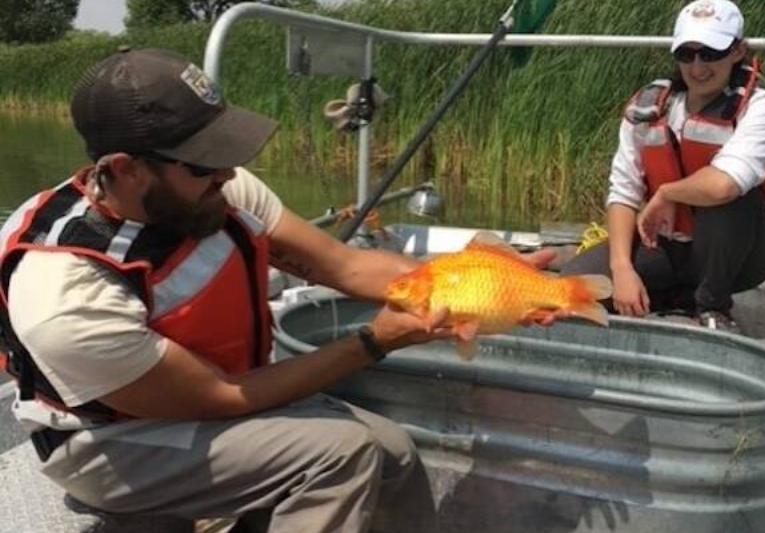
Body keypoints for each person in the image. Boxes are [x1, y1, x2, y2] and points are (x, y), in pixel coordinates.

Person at [0, 47, 553, 531]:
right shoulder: (66, 292)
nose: (227, 173)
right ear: (124, 169)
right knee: (340, 454)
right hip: (112, 441)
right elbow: (219, 398)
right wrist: (374, 341)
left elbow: (346, 267)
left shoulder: (221, 189)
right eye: (205, 163)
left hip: (222, 389)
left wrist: (483, 279)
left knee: (396, 454)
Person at [561, 0, 765, 333]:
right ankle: (672, 293)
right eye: (687, 54)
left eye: (711, 53)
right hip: (664, 247)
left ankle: (713, 306)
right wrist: (622, 269)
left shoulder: (760, 106)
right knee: (572, 287)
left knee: (731, 202)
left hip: (733, 254)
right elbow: (623, 190)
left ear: (738, 51)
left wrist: (667, 193)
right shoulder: (648, 107)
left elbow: (725, 184)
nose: (697, 67)